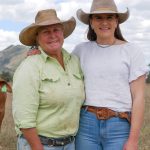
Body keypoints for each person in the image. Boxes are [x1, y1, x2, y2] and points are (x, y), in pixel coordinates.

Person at [72, 0, 148, 150]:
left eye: (109, 17)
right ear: (91, 23)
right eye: (98, 18)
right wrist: (36, 53)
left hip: (119, 126)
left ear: (116, 21)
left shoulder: (132, 51)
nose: (104, 22)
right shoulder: (81, 50)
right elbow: (59, 66)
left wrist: (133, 140)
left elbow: (139, 97)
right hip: (86, 124)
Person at [12, 9, 85, 150]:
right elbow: (24, 120)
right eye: (46, 32)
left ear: (63, 33)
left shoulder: (74, 62)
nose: (53, 36)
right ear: (37, 38)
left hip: (70, 144)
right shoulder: (30, 67)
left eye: (56, 30)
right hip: (39, 145)